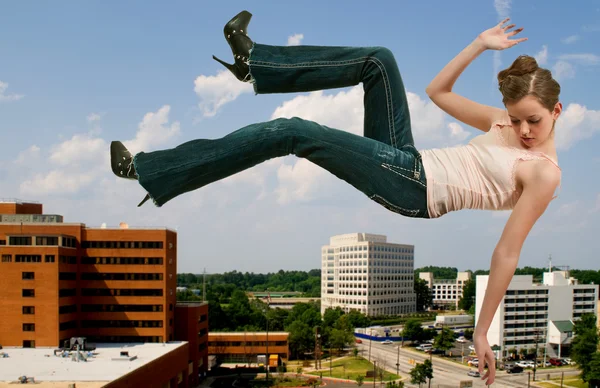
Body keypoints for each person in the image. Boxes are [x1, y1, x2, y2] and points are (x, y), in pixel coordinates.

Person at [109, 10, 562, 385]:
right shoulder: (502, 124)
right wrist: (479, 44)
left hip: (414, 187)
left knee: (293, 131)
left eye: (534, 122)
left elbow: (507, 251)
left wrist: (482, 332)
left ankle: (149, 170)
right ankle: (256, 64)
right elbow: (436, 92)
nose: (523, 130)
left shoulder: (542, 173)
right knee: (379, 60)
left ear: (556, 112)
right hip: (407, 158)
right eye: (517, 119)